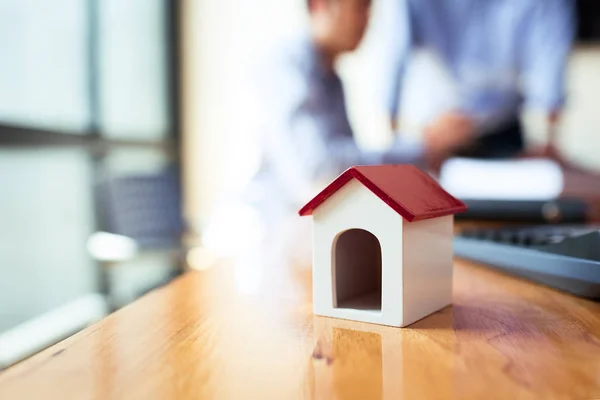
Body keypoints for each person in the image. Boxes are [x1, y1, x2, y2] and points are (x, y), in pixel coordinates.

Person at [246, 0, 455, 219]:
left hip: (309, 226)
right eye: (361, 6)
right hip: (270, 229)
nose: (368, 19)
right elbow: (320, 169)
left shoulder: (332, 79)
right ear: (320, 5)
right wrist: (420, 148)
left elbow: (346, 175)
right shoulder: (284, 67)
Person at [370, 0, 576, 160]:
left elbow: (549, 75)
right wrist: (403, 141)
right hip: (428, 136)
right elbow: (392, 58)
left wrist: (546, 143)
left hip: (502, 135)